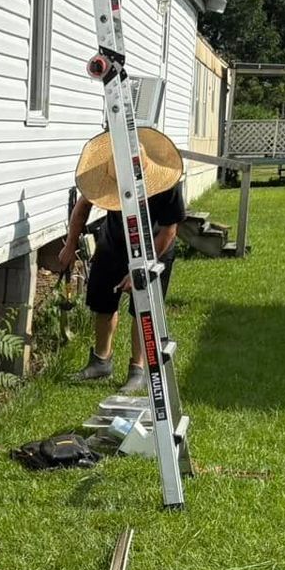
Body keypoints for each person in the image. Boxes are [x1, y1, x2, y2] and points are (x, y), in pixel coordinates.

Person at [52, 125, 187, 397]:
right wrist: (68, 246)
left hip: (155, 246)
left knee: (142, 307)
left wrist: (140, 268)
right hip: (115, 241)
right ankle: (101, 361)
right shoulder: (105, 175)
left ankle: (137, 369)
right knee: (102, 299)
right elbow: (82, 208)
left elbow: (170, 231)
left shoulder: (167, 183)